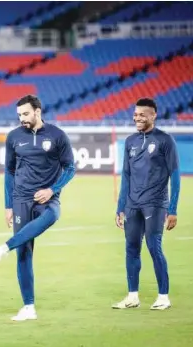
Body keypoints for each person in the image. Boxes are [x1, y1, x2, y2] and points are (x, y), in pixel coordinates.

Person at [0, 94, 76, 321]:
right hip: (21, 199)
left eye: (25, 114)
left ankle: (3, 248)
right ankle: (28, 307)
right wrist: (8, 206)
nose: (22, 119)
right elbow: (9, 171)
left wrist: (52, 190)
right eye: (19, 115)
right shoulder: (14, 137)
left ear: (37, 112)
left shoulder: (57, 136)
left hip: (47, 199)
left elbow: (70, 168)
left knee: (53, 215)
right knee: (24, 252)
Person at [113, 97, 180, 310]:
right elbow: (126, 175)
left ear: (153, 115)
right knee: (131, 249)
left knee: (154, 247)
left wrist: (173, 209)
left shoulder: (165, 140)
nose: (137, 118)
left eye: (142, 114)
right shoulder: (130, 141)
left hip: (155, 204)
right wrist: (120, 206)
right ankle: (132, 296)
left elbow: (175, 176)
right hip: (132, 205)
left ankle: (163, 297)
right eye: (135, 114)